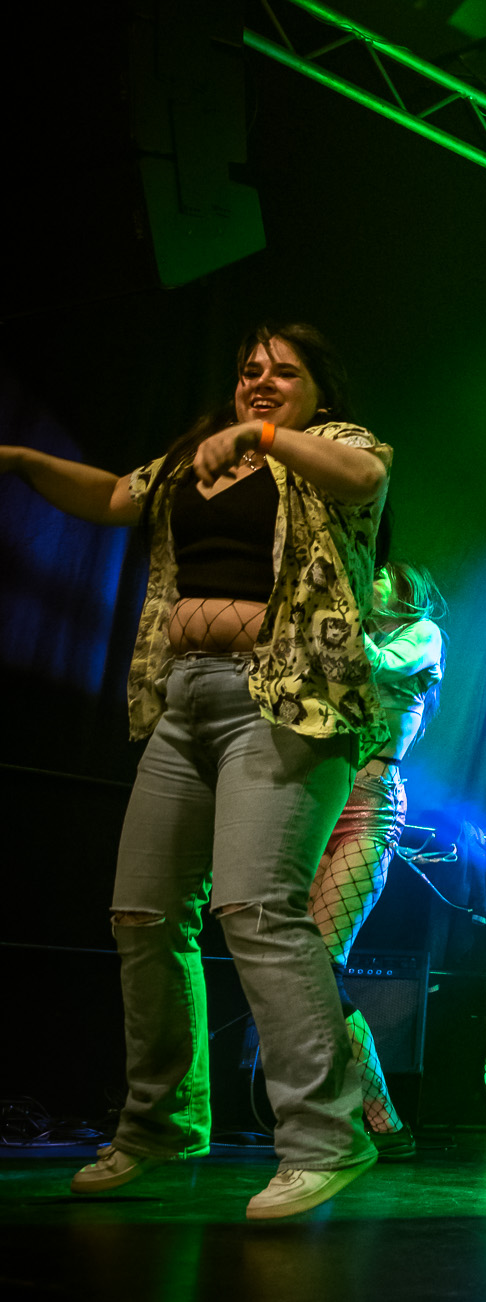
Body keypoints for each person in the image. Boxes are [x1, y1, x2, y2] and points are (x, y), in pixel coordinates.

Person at [0, 321, 389, 1221]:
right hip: (184, 704)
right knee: (141, 912)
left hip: (284, 702)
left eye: (283, 372)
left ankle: (327, 1139)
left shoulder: (329, 445)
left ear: (316, 392)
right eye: (250, 370)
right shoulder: (192, 459)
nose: (261, 381)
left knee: (257, 910)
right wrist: (19, 459)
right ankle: (160, 1124)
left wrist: (262, 435)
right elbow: (112, 496)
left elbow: (364, 478)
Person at [310, 548, 447, 1159]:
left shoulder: (422, 635)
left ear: (404, 587)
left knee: (322, 962)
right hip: (317, 797)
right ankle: (331, 1113)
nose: (369, 580)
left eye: (379, 573)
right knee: (300, 966)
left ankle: (382, 1115)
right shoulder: (346, 636)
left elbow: (376, 664)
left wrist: (334, 613)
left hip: (370, 806)